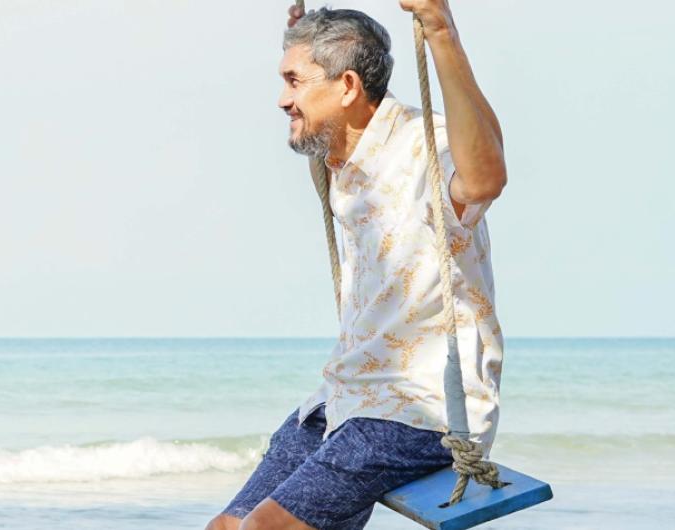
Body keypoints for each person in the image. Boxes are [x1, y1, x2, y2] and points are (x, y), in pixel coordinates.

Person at [207, 2, 509, 529]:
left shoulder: (426, 145)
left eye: (294, 82)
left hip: (420, 411)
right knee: (227, 527)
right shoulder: (340, 159)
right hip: (346, 400)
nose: (282, 100)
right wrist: (299, 37)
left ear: (347, 86)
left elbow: (485, 179)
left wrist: (439, 29)